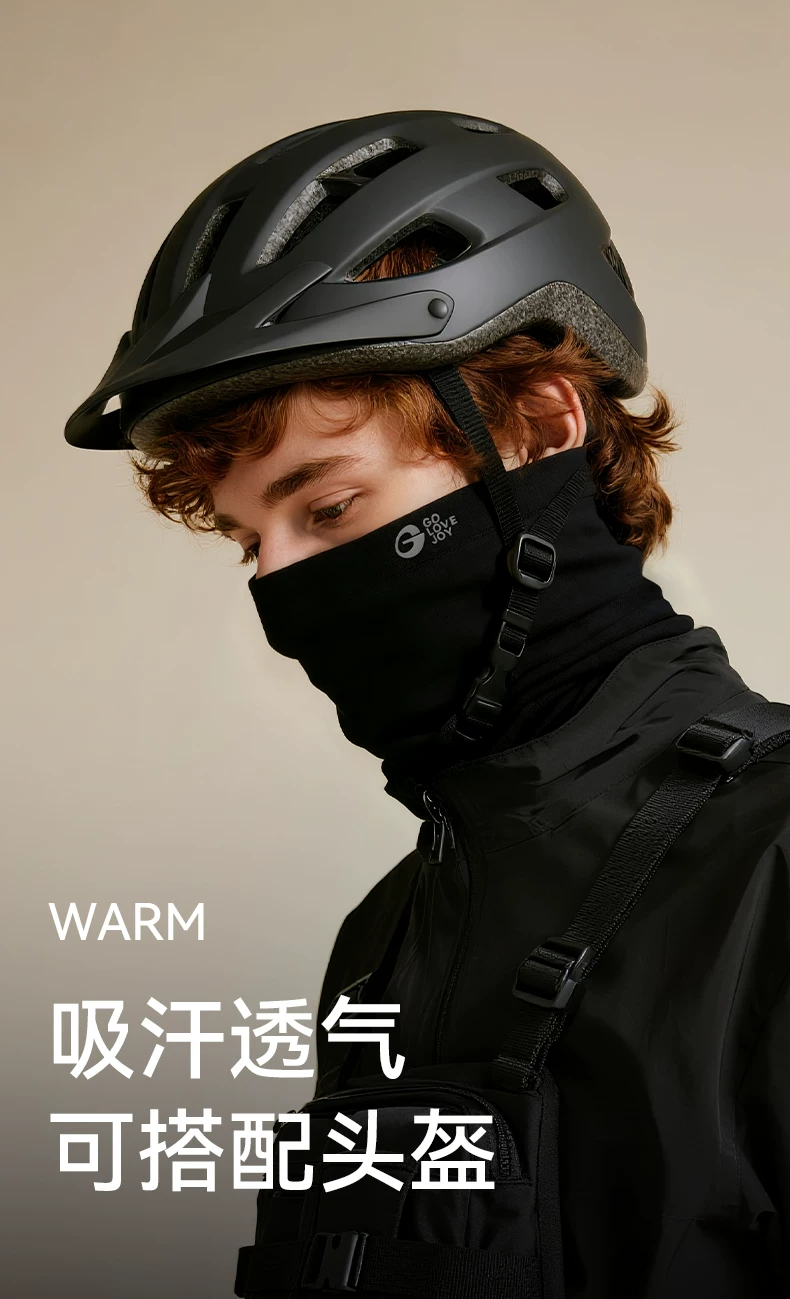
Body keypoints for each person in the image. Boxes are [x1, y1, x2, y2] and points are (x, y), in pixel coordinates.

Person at [64, 111, 790, 1298]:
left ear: (540, 426)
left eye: (328, 508)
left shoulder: (774, 856)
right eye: (250, 540)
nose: (280, 586)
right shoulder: (385, 939)